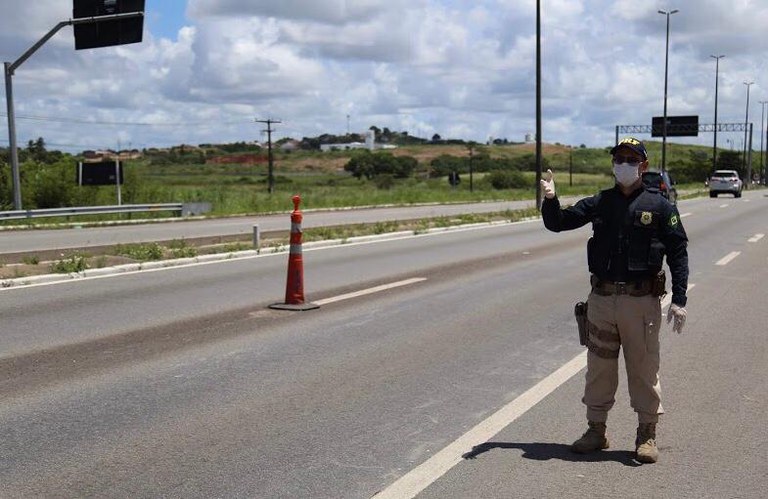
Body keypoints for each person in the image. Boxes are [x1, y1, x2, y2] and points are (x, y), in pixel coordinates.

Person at [540, 137, 689, 464]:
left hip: (641, 301)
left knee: (644, 368)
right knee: (599, 367)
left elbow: (678, 252)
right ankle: (596, 430)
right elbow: (558, 223)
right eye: (619, 158)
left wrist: (679, 298)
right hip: (603, 300)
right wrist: (550, 199)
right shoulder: (600, 202)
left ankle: (646, 433)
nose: (624, 163)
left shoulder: (660, 205)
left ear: (643, 166)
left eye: (631, 159)